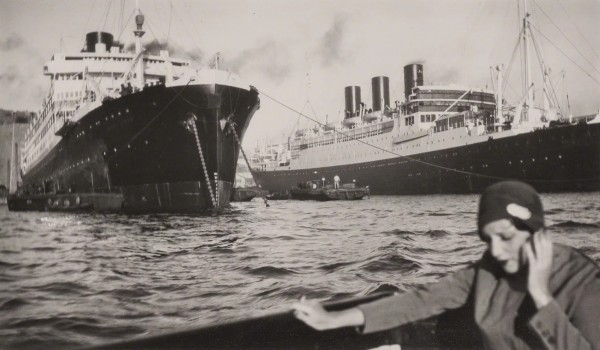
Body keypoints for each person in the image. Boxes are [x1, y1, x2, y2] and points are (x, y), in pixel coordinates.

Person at [292, 181, 600, 349]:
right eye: (487, 240)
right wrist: (333, 318)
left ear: (537, 233)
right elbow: (423, 299)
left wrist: (541, 296)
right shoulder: (490, 270)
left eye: (505, 237)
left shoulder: (582, 282)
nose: (496, 250)